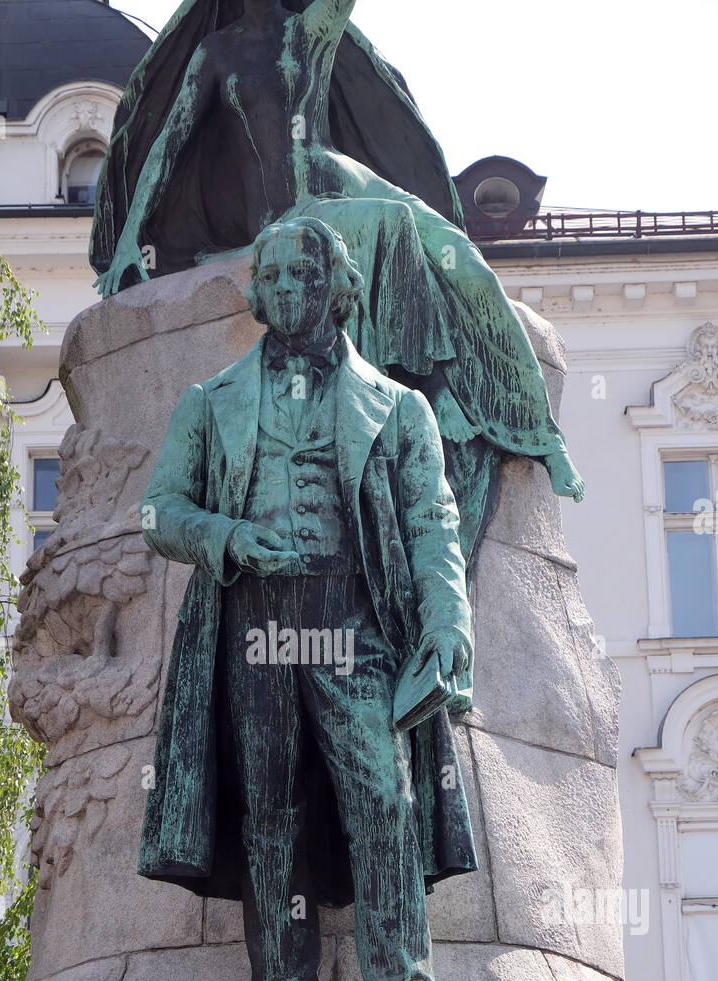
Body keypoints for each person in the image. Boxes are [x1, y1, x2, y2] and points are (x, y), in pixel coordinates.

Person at [93, 0, 584, 708]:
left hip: (330, 177)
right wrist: (127, 252)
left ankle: (534, 428)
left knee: (460, 254)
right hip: (288, 220)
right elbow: (166, 150)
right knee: (390, 228)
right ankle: (438, 390)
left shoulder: (314, 34)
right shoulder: (220, 54)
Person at [138, 217, 479, 981]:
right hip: (252, 622)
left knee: (386, 800)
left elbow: (434, 521)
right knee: (270, 817)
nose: (288, 290)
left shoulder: (400, 409)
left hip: (351, 620)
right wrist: (226, 536)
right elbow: (158, 514)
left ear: (340, 287)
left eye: (305, 274)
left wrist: (447, 623)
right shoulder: (208, 403)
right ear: (255, 291)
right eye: (275, 276)